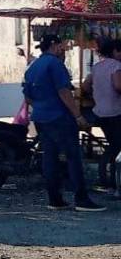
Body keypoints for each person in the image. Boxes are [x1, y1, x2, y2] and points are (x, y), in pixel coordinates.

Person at [23, 34, 105, 211]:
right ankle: (81, 199)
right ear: (54, 45)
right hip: (60, 118)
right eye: (61, 44)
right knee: (73, 157)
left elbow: (27, 97)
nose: (63, 48)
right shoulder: (55, 64)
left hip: (40, 118)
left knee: (50, 157)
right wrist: (78, 116)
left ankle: (55, 199)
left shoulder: (33, 66)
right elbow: (64, 92)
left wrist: (42, 105)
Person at [82, 38, 121, 189]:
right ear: (115, 51)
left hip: (100, 112)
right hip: (115, 112)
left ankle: (106, 178)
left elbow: (85, 87)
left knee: (113, 144)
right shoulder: (117, 66)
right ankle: (107, 179)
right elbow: (118, 86)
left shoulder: (97, 67)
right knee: (116, 146)